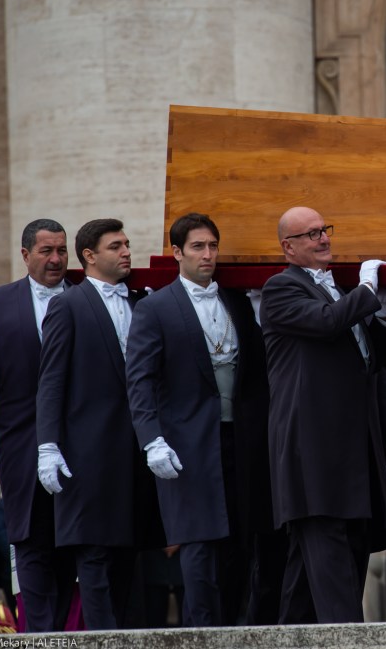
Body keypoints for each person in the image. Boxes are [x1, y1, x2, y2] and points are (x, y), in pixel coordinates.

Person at [126, 213, 274, 626]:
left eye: (212, 246)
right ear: (177, 252)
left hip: (241, 442)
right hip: (186, 444)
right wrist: (151, 439)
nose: (207, 255)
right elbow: (139, 381)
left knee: (242, 544)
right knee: (199, 547)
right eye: (197, 247)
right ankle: (201, 634)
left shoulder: (237, 302)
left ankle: (235, 632)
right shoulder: (155, 307)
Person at [260, 206, 386, 623]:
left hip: (346, 444)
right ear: (288, 247)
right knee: (329, 548)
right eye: (311, 234)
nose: (323, 239)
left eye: (325, 230)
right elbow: (327, 322)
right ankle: (350, 638)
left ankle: (289, 635)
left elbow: (375, 351)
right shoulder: (281, 288)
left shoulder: (335, 289)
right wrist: (367, 287)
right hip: (310, 446)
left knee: (332, 549)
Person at [35, 218, 160, 629]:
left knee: (130, 553)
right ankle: (102, 639)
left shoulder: (143, 302)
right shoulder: (67, 305)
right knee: (93, 553)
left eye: (127, 244)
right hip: (87, 451)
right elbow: (51, 381)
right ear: (89, 256)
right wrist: (47, 445)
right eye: (115, 246)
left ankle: (122, 635)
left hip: (134, 451)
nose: (126, 252)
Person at [0, 219, 76, 631]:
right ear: (26, 255)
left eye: (62, 250)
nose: (57, 259)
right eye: (47, 251)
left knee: (75, 542)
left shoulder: (85, 297)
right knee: (31, 540)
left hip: (81, 444)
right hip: (21, 442)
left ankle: (65, 633)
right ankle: (42, 637)